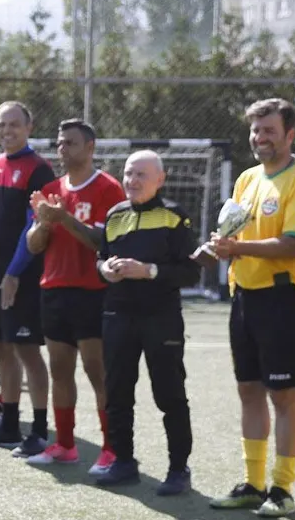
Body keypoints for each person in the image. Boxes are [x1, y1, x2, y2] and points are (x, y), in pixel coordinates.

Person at [36, 151, 199, 492]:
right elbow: (101, 258)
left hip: (160, 317)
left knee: (169, 393)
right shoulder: (115, 215)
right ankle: (123, 461)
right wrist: (105, 270)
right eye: (128, 174)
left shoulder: (174, 216)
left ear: (160, 179)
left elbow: (190, 272)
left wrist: (148, 271)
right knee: (117, 392)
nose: (132, 181)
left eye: (141, 175)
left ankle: (178, 469)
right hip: (118, 314)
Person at [204, 98, 295, 517]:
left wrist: (237, 248)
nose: (260, 138)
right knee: (248, 391)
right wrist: (219, 246)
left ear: (289, 135)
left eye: (269, 130)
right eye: (255, 130)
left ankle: (283, 489)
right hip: (245, 295)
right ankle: (253, 484)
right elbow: (234, 233)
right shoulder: (246, 179)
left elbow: (294, 245)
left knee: (283, 395)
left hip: (282, 298)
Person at [25, 119, 125, 474]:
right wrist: (43, 224)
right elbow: (33, 245)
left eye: (70, 142)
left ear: (90, 147)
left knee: (98, 372)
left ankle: (111, 449)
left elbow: (102, 242)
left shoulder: (108, 189)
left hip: (93, 293)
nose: (62, 149)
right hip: (54, 290)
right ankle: (65, 445)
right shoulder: (51, 189)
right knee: (60, 371)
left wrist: (64, 218)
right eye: (59, 142)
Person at [0, 101, 56, 456]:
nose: (7, 131)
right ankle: (8, 425)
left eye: (14, 124)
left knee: (27, 351)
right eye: (1, 125)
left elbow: (33, 225)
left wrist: (13, 272)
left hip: (23, 277)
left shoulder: (40, 169)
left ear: (29, 127)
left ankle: (38, 430)